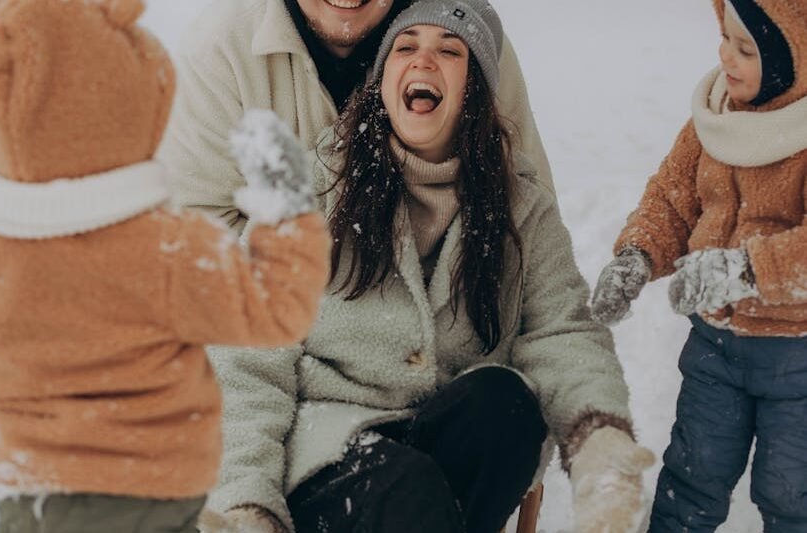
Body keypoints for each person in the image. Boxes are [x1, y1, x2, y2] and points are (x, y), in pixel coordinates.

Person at [200, 1, 655, 532]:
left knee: (504, 404)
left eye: (449, 50)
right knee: (403, 484)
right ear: (384, 77)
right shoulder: (312, 190)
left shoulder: (518, 205)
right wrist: (248, 503)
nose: (423, 60)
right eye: (406, 46)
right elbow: (247, 357)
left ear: (475, 87)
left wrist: (597, 435)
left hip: (440, 444)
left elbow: (561, 331)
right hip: (329, 452)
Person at [0, 1, 330, 531]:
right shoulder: (167, 250)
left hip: (35, 498)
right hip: (153, 492)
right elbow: (276, 309)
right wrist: (286, 212)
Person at [590, 0, 807, 531]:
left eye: (746, 49)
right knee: (692, 476)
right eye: (724, 39)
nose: (725, 57)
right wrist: (636, 256)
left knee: (790, 493)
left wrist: (745, 269)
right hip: (714, 348)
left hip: (797, 357)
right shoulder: (713, 119)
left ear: (793, 60)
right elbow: (670, 198)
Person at [157, 0, 556, 228]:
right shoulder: (222, 47)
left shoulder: (465, 38)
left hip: (449, 335)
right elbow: (197, 230)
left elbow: (525, 211)